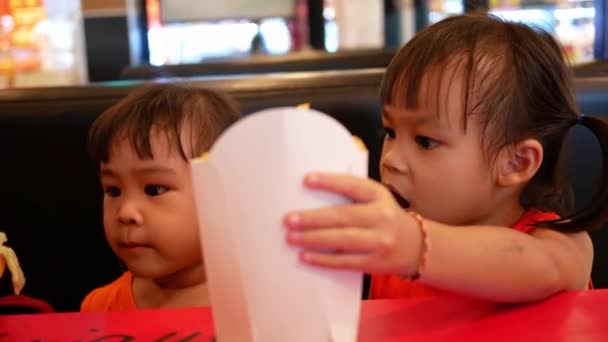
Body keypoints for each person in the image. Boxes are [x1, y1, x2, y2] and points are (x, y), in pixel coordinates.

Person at [284, 14, 608, 302]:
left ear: (516, 162)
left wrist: (411, 245)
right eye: (390, 133)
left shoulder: (561, 243)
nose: (391, 160)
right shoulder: (391, 247)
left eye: (425, 141)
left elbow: (539, 267)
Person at [81, 84, 240, 311]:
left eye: (154, 189)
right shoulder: (100, 308)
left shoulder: (263, 303)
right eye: (113, 190)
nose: (126, 212)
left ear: (223, 195)